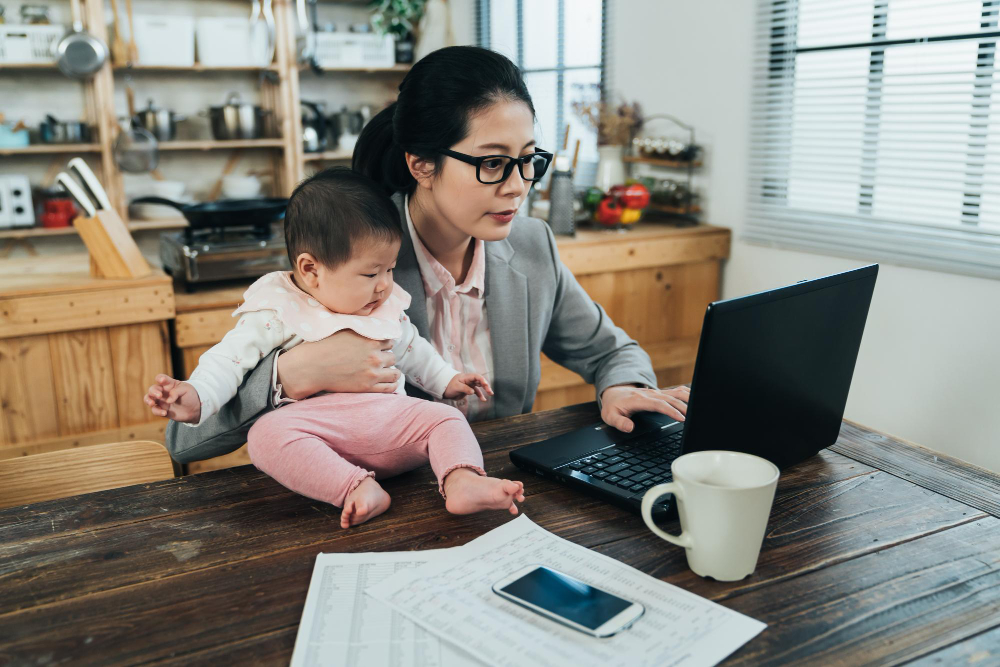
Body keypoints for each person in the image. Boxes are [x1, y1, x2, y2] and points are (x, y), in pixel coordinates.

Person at [164, 45, 689, 467]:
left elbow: (610, 353)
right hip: (369, 503)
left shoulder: (532, 247)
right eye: (492, 164)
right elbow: (184, 443)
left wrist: (621, 389)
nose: (517, 187)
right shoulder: (348, 257)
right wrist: (290, 374)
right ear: (421, 165)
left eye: (529, 160)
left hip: (500, 486)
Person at [147, 168, 524, 527]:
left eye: (390, 269)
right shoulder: (278, 310)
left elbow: (412, 348)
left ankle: (462, 481)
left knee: (446, 418)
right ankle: (354, 488)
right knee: (264, 436)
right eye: (371, 273)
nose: (384, 285)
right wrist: (196, 394)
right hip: (321, 433)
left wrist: (447, 380)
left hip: (390, 421)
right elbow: (227, 361)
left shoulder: (382, 305)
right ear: (311, 270)